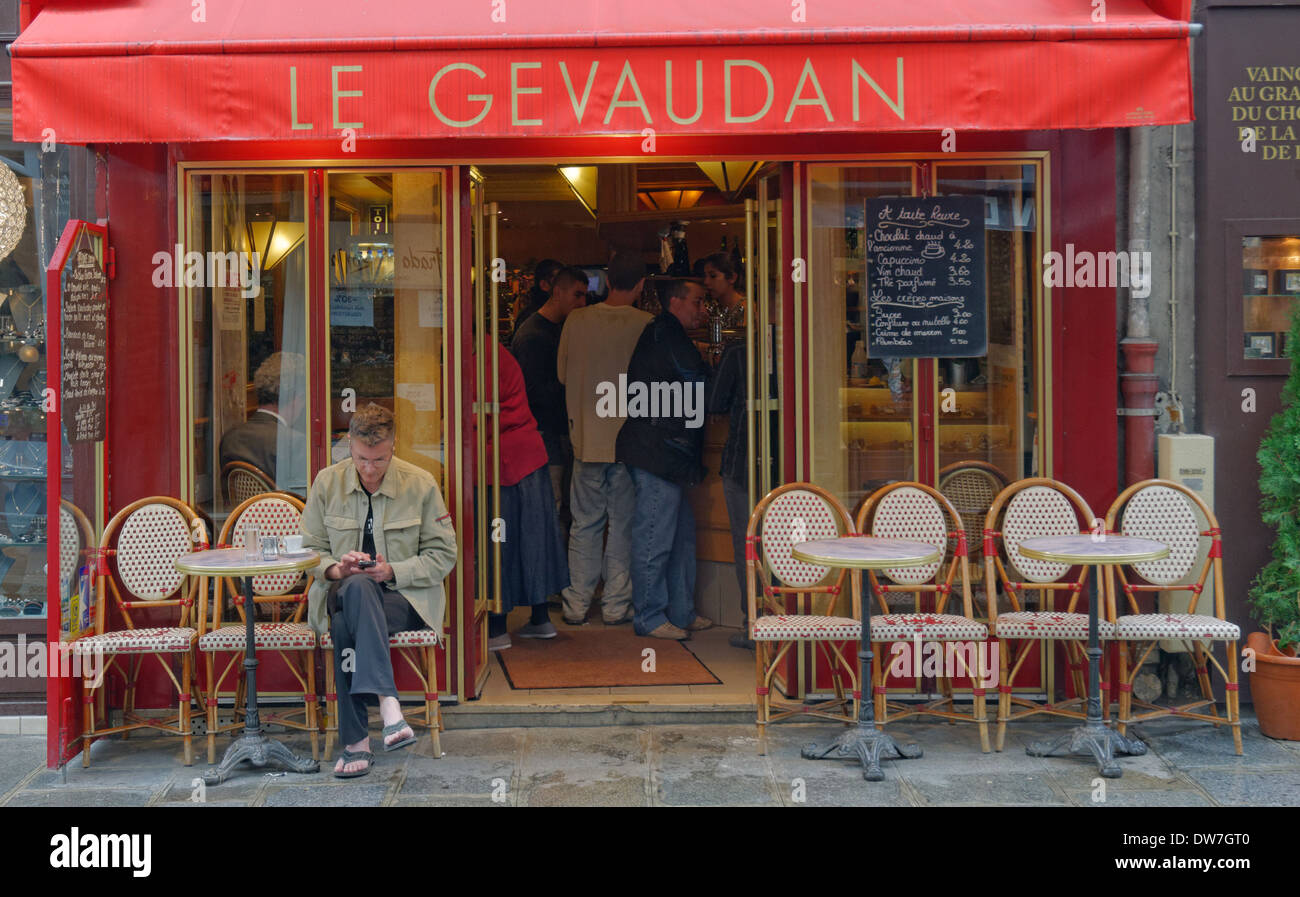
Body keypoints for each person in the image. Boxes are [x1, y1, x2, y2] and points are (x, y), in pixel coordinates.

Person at [300, 403, 457, 778]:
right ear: (348, 445)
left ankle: (355, 743)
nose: (370, 469)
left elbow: (444, 554)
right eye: (361, 459)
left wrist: (392, 570)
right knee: (354, 585)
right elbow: (308, 551)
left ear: (393, 446)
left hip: (402, 598)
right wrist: (338, 567)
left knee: (344, 625)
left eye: (379, 460)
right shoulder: (327, 482)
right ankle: (389, 705)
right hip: (339, 589)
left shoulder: (420, 484)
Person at [556, 251, 652, 626]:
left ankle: (577, 602)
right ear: (642, 285)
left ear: (608, 281)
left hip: (586, 439)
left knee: (584, 524)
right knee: (622, 526)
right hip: (628, 444)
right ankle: (615, 605)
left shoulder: (577, 320)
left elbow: (563, 376)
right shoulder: (646, 324)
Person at [616, 279, 714, 640]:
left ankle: (681, 611)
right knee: (655, 536)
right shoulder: (665, 334)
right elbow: (696, 379)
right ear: (675, 301)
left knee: (682, 536)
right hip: (657, 450)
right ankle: (650, 617)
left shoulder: (663, 332)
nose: (703, 309)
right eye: (698, 302)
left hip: (666, 450)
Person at [480, 341, 569, 650]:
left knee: (498, 543)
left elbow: (481, 412)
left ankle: (496, 628)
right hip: (529, 456)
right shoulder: (499, 354)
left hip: (501, 461)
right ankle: (541, 619)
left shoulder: (480, 360)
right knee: (535, 538)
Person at [510, 266, 588, 521]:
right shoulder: (534, 335)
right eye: (577, 295)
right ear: (558, 292)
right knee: (550, 505)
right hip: (544, 432)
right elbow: (534, 392)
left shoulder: (558, 328)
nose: (582, 302)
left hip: (557, 431)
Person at [708, 339, 755, 649]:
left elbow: (714, 402)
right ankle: (785, 620)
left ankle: (753, 623)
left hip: (742, 462)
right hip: (789, 467)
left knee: (746, 545)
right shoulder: (801, 344)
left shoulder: (740, 352)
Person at [219, 351, 307, 492]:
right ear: (296, 397)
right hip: (284, 513)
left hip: (242, 513)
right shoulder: (295, 444)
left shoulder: (230, 438)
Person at [514, 258, 563, 333]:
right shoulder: (532, 318)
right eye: (560, 282)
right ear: (544, 285)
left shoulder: (558, 315)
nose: (565, 287)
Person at [702, 251, 746, 331]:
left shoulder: (746, 309)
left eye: (713, 276)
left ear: (732, 277)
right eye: (705, 276)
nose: (706, 281)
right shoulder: (712, 307)